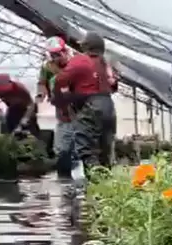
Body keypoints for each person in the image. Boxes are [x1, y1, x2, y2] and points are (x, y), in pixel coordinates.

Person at [53, 31, 119, 173]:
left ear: (86, 47)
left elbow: (60, 80)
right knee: (105, 150)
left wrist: (64, 97)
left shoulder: (80, 60)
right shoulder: (107, 62)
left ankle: (96, 182)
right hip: (108, 107)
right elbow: (113, 86)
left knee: (87, 149)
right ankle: (107, 185)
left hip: (91, 106)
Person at [37, 36, 75, 179]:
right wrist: (41, 94)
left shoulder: (75, 64)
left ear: (65, 51)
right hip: (62, 113)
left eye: (58, 54)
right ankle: (65, 181)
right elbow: (42, 83)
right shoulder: (48, 67)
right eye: (52, 55)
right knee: (62, 149)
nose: (56, 58)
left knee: (83, 148)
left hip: (79, 113)